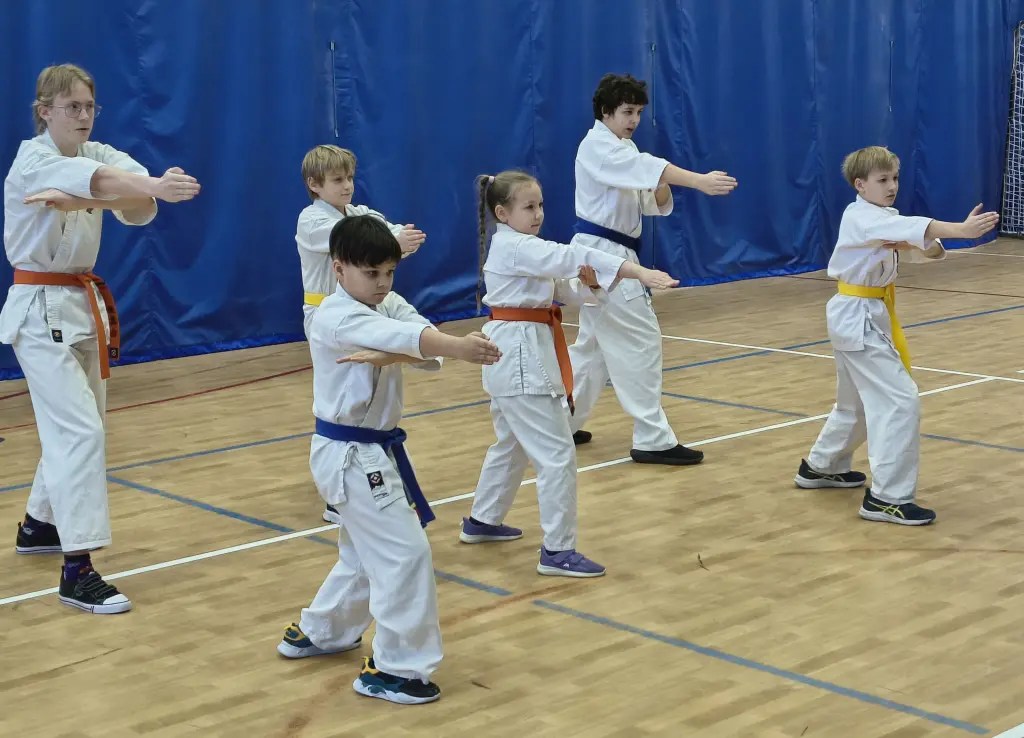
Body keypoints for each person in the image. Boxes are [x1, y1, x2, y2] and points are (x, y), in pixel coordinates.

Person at [277, 214, 502, 704]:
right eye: (371, 273)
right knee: (404, 554)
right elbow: (410, 341)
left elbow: (416, 333)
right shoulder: (334, 316)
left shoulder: (386, 302)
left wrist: (405, 351)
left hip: (370, 450)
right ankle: (396, 669)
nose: (382, 283)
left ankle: (323, 630)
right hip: (350, 454)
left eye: (389, 272)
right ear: (339, 269)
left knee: (365, 552)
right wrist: (455, 348)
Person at [2, 63, 201, 613]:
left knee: (81, 422)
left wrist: (129, 191)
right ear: (45, 111)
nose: (84, 116)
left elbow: (141, 205)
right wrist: (135, 187)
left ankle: (40, 523)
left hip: (81, 306)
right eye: (73, 107)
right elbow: (108, 184)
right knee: (79, 431)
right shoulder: (32, 159)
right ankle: (77, 568)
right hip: (38, 309)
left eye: (90, 106)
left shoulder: (99, 152)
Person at [463, 170, 678, 577]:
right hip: (519, 356)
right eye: (529, 207)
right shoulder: (515, 247)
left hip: (516, 352)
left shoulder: (522, 248)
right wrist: (636, 272)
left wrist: (592, 286)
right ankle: (557, 550)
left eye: (541, 205)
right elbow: (569, 257)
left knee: (512, 444)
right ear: (502, 213)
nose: (538, 214)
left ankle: (483, 519)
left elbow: (562, 290)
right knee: (558, 455)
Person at [795, 145, 999, 525]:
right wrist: (961, 230)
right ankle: (888, 498)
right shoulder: (861, 217)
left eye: (895, 178)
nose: (892, 186)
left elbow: (925, 247)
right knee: (900, 401)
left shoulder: (883, 218)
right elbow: (920, 227)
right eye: (882, 180)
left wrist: (920, 243)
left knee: (857, 402)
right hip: (857, 313)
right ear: (861, 185)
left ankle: (823, 466)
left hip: (866, 312)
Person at [568, 73, 737, 464]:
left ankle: (562, 421)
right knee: (641, 342)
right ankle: (652, 438)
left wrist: (658, 183)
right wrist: (697, 180)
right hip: (604, 255)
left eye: (639, 112)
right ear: (606, 111)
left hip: (610, 253)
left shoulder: (622, 147)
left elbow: (650, 200)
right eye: (628, 111)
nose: (634, 120)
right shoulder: (596, 146)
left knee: (593, 348)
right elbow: (646, 167)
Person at [295, 144, 425, 524]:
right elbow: (356, 242)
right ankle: (343, 488)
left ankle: (372, 472)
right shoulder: (311, 221)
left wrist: (399, 238)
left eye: (350, 178)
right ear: (314, 184)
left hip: (361, 308)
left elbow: (385, 234)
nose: (347, 186)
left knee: (374, 389)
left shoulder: (360, 213)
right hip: (326, 313)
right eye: (337, 179)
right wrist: (395, 241)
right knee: (351, 394)